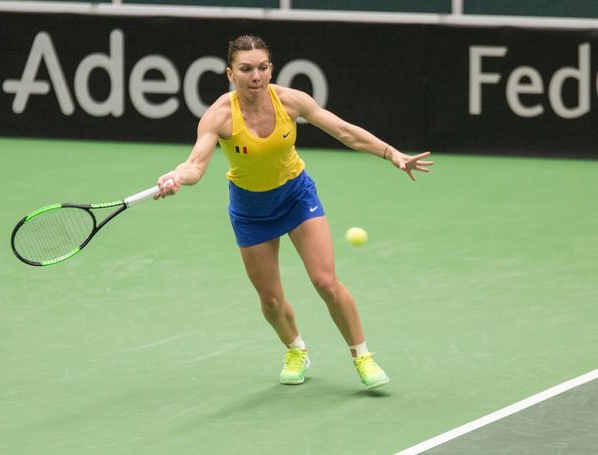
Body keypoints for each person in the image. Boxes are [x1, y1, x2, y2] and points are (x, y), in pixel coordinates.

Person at [155, 35, 433, 390]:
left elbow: (345, 132)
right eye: (246, 69)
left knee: (325, 282)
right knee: (270, 301)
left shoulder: (291, 101)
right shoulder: (219, 116)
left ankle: (362, 356)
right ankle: (296, 349)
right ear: (230, 73)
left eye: (262, 67)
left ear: (270, 69)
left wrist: (392, 154)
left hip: (296, 197)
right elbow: (195, 165)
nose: (256, 76)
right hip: (250, 210)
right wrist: (176, 177)